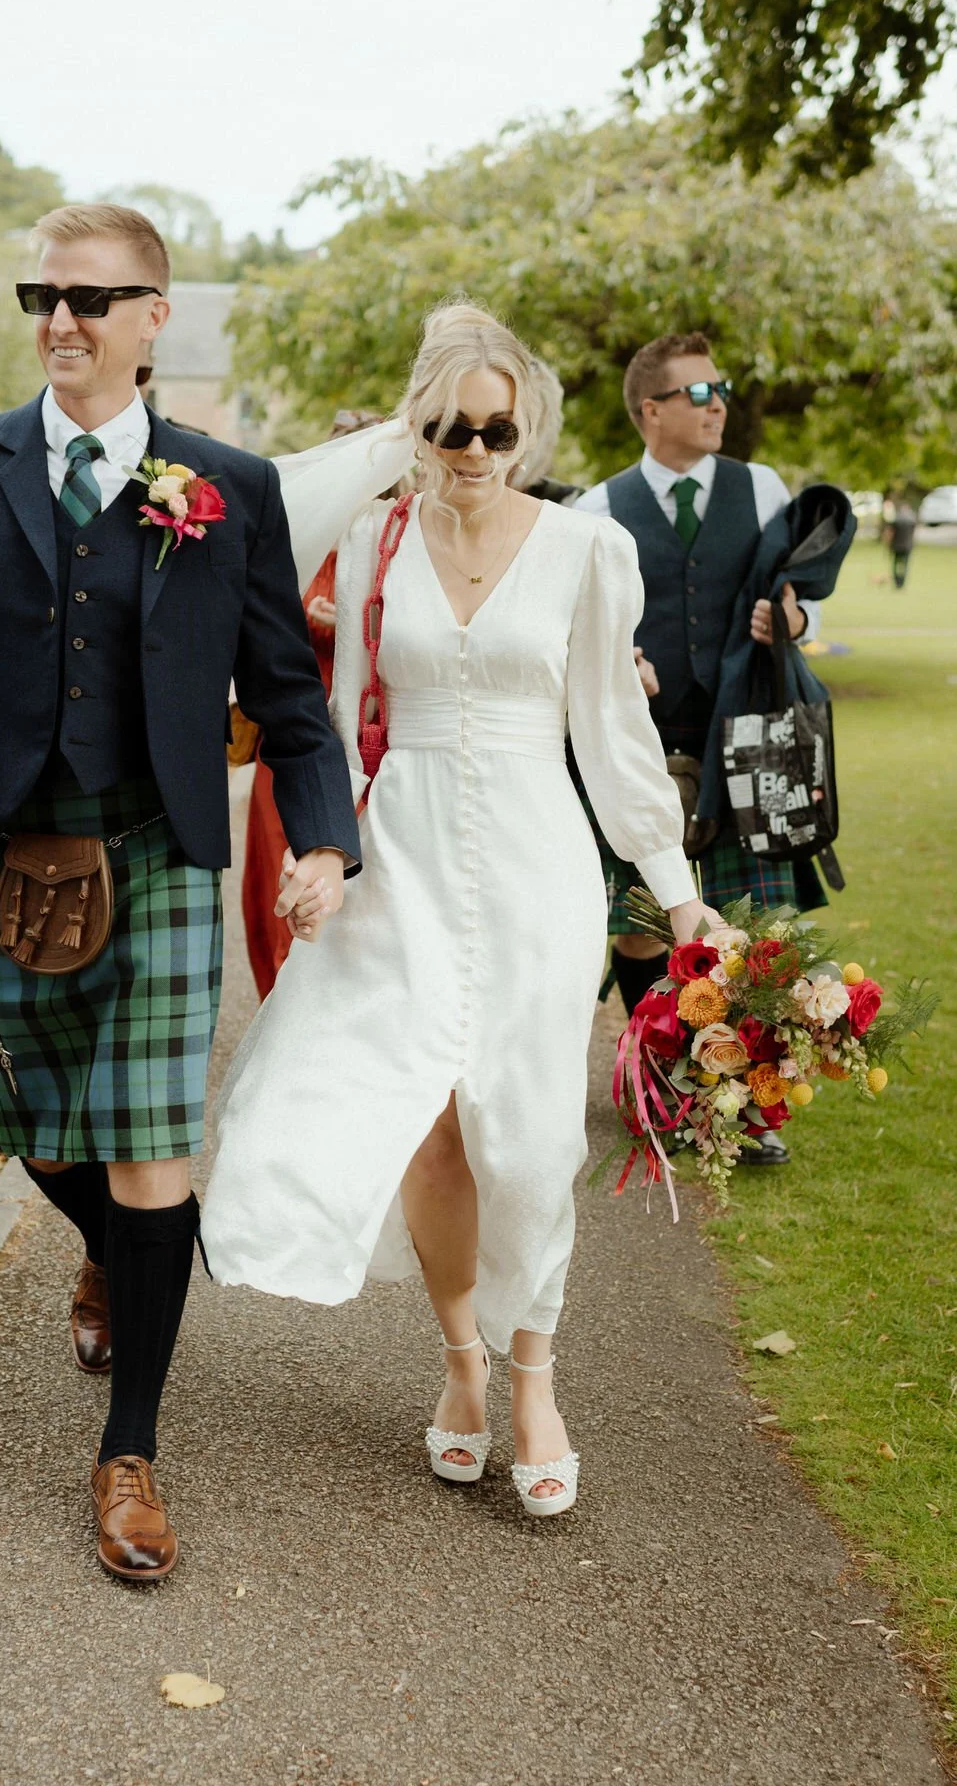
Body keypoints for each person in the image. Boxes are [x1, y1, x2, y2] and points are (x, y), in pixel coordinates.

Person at [0, 203, 358, 1582]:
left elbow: (289, 698)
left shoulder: (227, 487)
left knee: (149, 1145)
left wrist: (323, 840)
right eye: (42, 294)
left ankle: (128, 1450)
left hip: (162, 847)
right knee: (24, 1127)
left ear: (153, 317)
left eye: (90, 297)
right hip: (15, 846)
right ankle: (119, 1259)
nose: (59, 319)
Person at [202, 302, 711, 1518]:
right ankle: (464, 1368)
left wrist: (679, 893)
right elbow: (323, 685)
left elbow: (614, 732)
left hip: (539, 858)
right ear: (418, 426)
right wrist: (324, 849)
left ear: (525, 426)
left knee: (529, 1133)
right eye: (449, 426)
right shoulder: (378, 540)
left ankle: (538, 1377)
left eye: (494, 426)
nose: (474, 448)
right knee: (428, 1125)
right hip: (406, 849)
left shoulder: (587, 550)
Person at [574, 332, 826, 1167]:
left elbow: (803, 605)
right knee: (642, 931)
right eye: (696, 392)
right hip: (638, 751)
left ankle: (743, 1103)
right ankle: (661, 1089)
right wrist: (617, 661)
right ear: (649, 410)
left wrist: (787, 623)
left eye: (719, 388)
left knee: (747, 930)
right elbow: (570, 632)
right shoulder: (595, 510)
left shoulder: (760, 490)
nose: (717, 402)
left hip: (741, 748)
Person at [243, 411, 384, 999]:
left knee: (356, 894)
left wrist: (356, 621)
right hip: (292, 741)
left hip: (364, 747)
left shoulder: (388, 541)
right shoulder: (300, 537)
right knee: (279, 881)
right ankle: (282, 1009)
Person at [885, 492, 917, 589]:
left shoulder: (896, 519)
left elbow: (890, 533)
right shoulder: (912, 520)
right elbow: (913, 534)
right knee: (905, 565)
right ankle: (902, 582)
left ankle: (897, 581)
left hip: (896, 546)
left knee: (895, 564)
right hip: (907, 546)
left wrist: (888, 544)